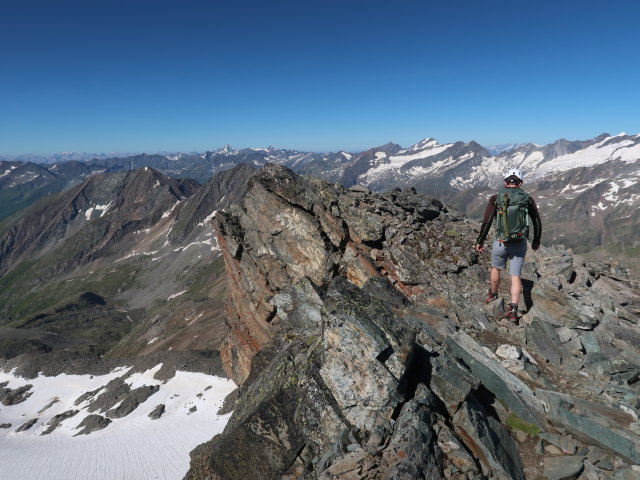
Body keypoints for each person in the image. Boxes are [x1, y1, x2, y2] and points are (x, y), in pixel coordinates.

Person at [474, 169, 542, 322]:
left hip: (500, 242)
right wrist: (536, 241)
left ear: (505, 182)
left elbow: (487, 221)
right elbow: (537, 221)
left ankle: (493, 294)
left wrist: (480, 241)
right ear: (520, 183)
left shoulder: (496, 198)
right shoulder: (527, 199)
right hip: (519, 243)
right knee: (515, 276)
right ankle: (513, 310)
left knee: (495, 268)